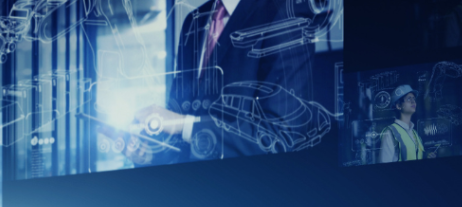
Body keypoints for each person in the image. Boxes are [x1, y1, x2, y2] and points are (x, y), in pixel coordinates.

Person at [127, 0, 320, 163]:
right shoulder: (193, 22)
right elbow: (178, 119)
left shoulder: (287, 14)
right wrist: (151, 151)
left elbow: (279, 138)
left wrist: (183, 124)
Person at [378, 84, 426, 163]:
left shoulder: (414, 133)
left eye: (414, 98)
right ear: (398, 106)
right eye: (408, 99)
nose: (413, 101)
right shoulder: (390, 133)